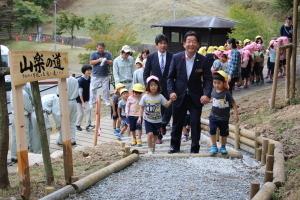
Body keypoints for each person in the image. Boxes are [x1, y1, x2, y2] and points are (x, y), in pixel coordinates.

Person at [167, 31, 213, 154]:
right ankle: (174, 146)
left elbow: (208, 79)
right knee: (177, 122)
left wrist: (206, 94)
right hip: (178, 95)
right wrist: (171, 92)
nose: (191, 44)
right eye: (188, 41)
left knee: (194, 122)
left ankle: (195, 148)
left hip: (196, 96)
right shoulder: (176, 58)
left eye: (194, 42)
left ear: (198, 44)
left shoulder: (203, 60)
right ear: (184, 44)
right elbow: (170, 77)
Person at [144, 34, 173, 144]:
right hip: (154, 88)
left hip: (169, 88)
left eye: (165, 43)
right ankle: (159, 135)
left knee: (168, 108)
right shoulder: (151, 57)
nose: (163, 45)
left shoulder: (172, 57)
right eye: (160, 43)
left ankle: (163, 125)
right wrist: (148, 87)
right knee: (157, 111)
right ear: (156, 45)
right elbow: (146, 73)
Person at [139, 76, 173, 154]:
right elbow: (141, 107)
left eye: (155, 85)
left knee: (155, 136)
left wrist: (171, 99)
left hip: (157, 120)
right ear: (148, 87)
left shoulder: (160, 96)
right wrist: (139, 117)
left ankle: (153, 148)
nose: (153, 87)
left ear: (158, 86)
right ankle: (149, 149)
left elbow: (166, 105)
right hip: (147, 119)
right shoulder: (145, 97)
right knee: (149, 134)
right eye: (151, 85)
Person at [209, 70, 239, 155]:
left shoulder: (226, 93)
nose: (216, 85)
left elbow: (233, 103)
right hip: (213, 116)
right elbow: (213, 99)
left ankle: (223, 147)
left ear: (224, 83)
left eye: (219, 83)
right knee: (212, 130)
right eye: (214, 83)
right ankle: (214, 146)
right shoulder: (213, 91)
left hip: (224, 118)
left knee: (224, 133)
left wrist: (236, 114)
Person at [10, 84, 40, 163]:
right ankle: (24, 155)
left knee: (14, 136)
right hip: (23, 116)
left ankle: (14, 155)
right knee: (24, 136)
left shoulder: (12, 91)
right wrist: (31, 110)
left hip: (14, 115)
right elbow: (28, 107)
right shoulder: (23, 93)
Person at [57, 74, 79, 145]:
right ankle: (72, 139)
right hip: (74, 102)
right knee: (72, 122)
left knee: (63, 122)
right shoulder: (75, 80)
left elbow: (58, 93)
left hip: (65, 102)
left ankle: (61, 140)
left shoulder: (61, 79)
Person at [89, 42, 113, 106]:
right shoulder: (93, 54)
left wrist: (106, 60)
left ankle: (106, 101)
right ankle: (92, 101)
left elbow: (111, 62)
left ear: (104, 48)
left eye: (102, 48)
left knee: (106, 89)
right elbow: (91, 62)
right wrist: (98, 60)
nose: (100, 49)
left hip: (105, 75)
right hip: (95, 75)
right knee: (93, 89)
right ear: (96, 48)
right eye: (99, 48)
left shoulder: (108, 54)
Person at [76, 65, 94, 132]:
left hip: (86, 98)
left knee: (88, 110)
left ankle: (88, 125)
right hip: (79, 99)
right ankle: (77, 125)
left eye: (90, 70)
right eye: (88, 70)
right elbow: (80, 92)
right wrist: (82, 102)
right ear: (84, 71)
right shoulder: (80, 80)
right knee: (81, 113)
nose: (89, 71)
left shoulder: (89, 78)